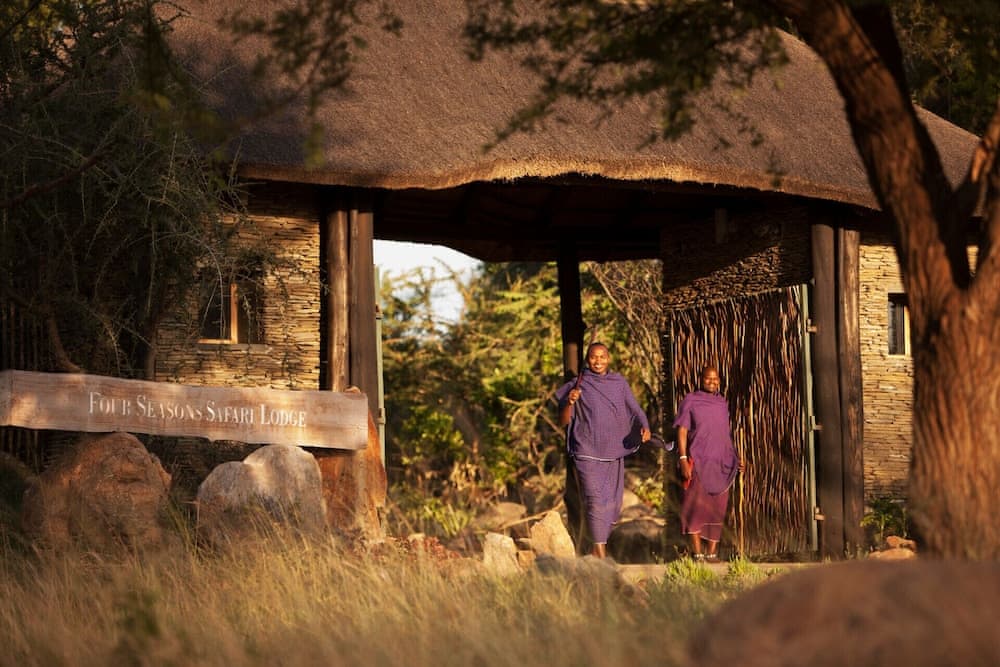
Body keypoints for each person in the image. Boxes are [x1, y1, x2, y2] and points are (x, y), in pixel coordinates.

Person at [556, 342, 650, 558]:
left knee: (612, 504)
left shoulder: (618, 383)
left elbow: (635, 409)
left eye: (602, 357)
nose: (597, 361)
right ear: (587, 360)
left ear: (609, 359)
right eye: (593, 357)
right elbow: (563, 421)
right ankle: (601, 552)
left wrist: (645, 427)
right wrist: (570, 402)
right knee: (595, 499)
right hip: (586, 450)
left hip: (613, 451)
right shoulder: (577, 385)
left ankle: (594, 548)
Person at [674, 365, 743, 562]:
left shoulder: (722, 403)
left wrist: (734, 459)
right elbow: (682, 431)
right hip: (699, 462)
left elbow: (723, 435)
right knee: (694, 508)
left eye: (715, 379)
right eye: (708, 379)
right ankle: (697, 554)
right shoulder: (691, 401)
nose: (712, 382)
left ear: (720, 381)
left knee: (717, 510)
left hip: (722, 463)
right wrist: (683, 459)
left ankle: (712, 554)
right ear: (701, 379)